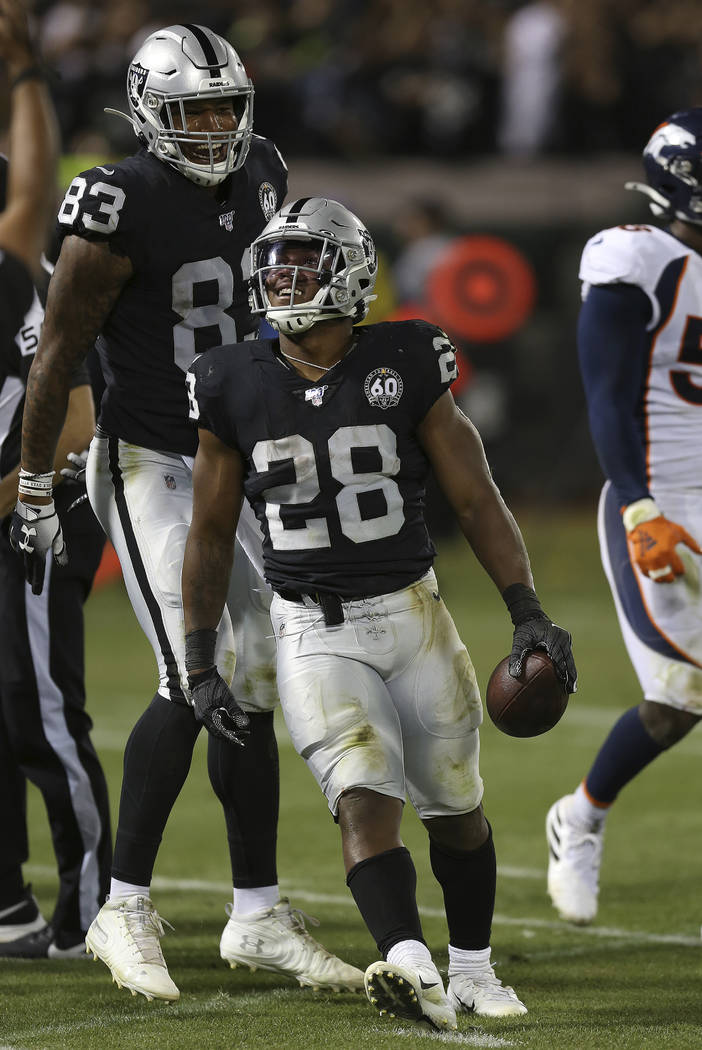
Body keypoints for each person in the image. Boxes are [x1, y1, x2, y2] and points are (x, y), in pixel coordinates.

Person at [11, 25, 361, 999]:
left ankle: (256, 914)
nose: (211, 130)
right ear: (148, 112)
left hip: (227, 458)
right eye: (190, 112)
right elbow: (57, 356)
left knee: (249, 679)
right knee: (192, 666)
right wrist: (37, 484)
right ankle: (121, 910)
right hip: (144, 459)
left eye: (222, 109)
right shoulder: (116, 202)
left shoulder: (263, 172)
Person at [181, 197, 577, 1030]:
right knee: (363, 794)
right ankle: (405, 961)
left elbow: (475, 497)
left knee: (457, 806)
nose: (282, 278)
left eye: (304, 261)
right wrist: (196, 653)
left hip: (413, 613)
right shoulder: (228, 380)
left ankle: (471, 968)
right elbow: (211, 531)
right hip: (310, 627)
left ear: (353, 272)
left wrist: (526, 609)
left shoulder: (407, 356)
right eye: (275, 262)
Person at [546, 109, 702, 925]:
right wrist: (639, 503)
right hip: (662, 499)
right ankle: (582, 817)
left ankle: (581, 815)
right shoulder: (635, 256)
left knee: (679, 703)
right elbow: (607, 394)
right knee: (680, 692)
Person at [0, 0, 111, 958]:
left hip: (32, 514)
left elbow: (75, 417)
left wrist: (26, 68)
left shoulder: (15, 272)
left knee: (42, 718)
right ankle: (9, 909)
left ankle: (96, 914)